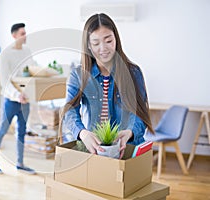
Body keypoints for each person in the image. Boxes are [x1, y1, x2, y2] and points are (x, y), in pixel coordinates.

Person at [60, 13, 154, 158]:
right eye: (96, 43)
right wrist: (82, 133)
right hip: (94, 152)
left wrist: (129, 133)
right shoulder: (78, 75)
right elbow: (69, 111)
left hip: (128, 151)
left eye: (108, 40)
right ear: (89, 46)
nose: (103, 48)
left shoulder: (133, 73)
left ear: (116, 39)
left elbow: (140, 113)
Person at [0, 23, 36, 174]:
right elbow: (5, 81)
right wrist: (17, 95)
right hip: (11, 100)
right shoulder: (5, 54)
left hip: (25, 100)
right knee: (3, 129)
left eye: (25, 33)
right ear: (14, 35)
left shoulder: (27, 50)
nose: (25, 36)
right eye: (22, 33)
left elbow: (32, 68)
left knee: (21, 131)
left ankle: (20, 163)